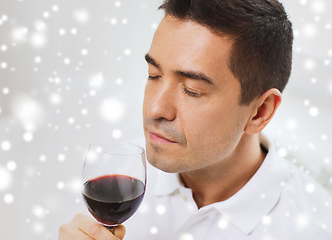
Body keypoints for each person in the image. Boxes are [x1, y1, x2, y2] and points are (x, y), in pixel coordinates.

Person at [59, 0, 332, 239]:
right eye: (154, 75)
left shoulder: (315, 228)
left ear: (260, 112)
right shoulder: (115, 182)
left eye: (192, 90)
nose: (155, 109)